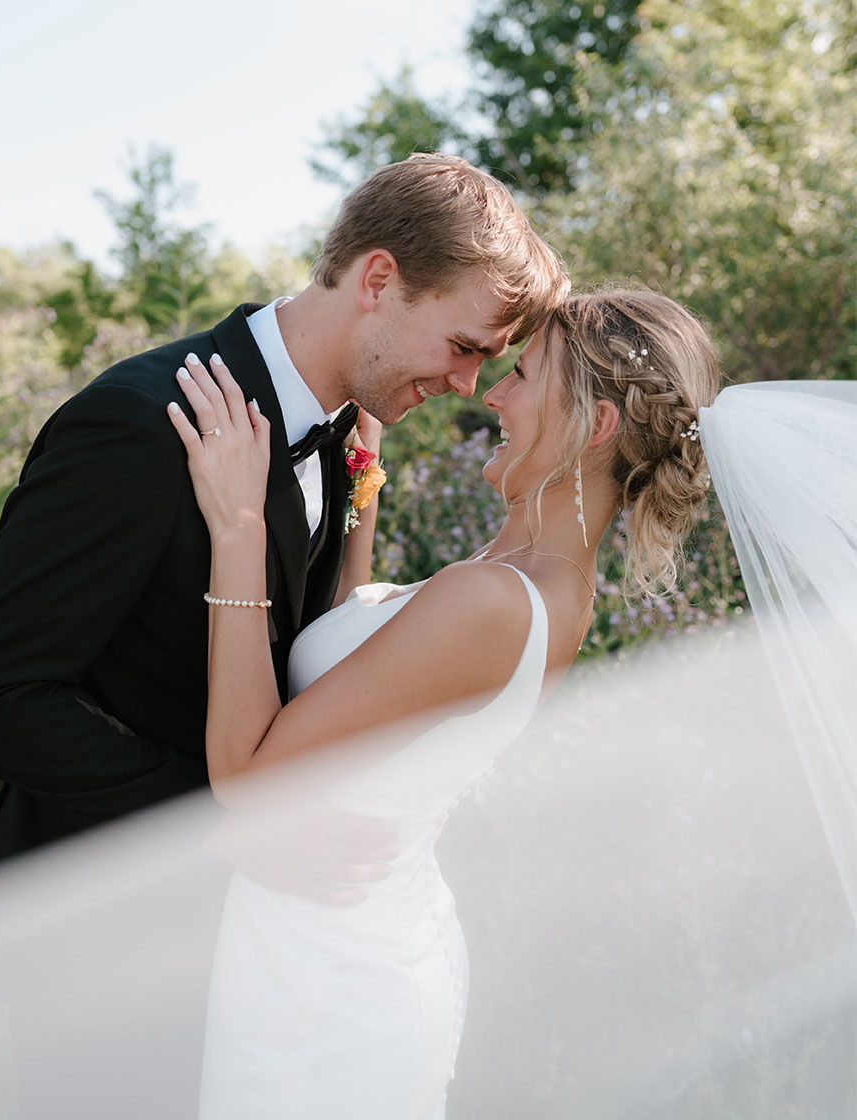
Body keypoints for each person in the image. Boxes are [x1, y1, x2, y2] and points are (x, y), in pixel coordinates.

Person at [166, 287, 722, 1118]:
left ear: (595, 426)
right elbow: (360, 667)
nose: (490, 394)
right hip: (339, 938)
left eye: (524, 375)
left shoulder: (493, 602)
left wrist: (241, 526)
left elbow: (248, 775)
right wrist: (363, 477)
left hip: (328, 981)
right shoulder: (535, 586)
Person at [0, 153, 569, 878]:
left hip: (251, 938)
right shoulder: (141, 423)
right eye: (464, 348)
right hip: (85, 926)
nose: (467, 385)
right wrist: (223, 833)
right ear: (379, 280)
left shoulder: (350, 435)